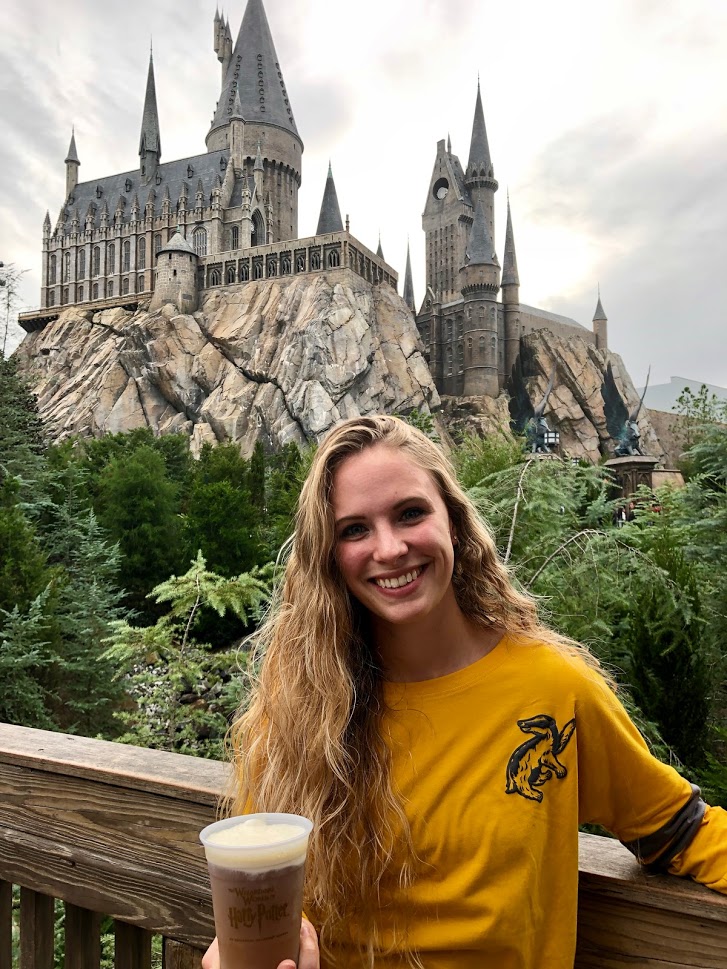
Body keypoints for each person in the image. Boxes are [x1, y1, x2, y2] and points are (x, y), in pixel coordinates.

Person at [203, 415, 726, 969]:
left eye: (410, 513)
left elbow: (681, 831)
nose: (389, 548)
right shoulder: (298, 709)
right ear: (329, 555)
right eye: (354, 529)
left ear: (453, 520)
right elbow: (266, 895)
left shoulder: (552, 688)